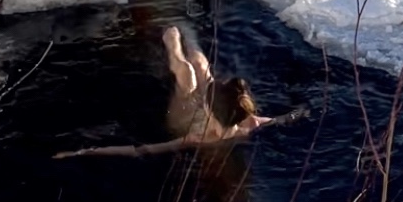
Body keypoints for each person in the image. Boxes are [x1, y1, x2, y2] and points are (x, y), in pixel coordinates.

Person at [56, 25, 270, 161]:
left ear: (209, 109)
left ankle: (172, 38)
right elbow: (283, 118)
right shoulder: (250, 123)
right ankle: (188, 31)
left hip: (183, 118)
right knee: (200, 64)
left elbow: (141, 150)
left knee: (186, 72)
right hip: (216, 114)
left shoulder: (197, 139)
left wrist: (84, 152)